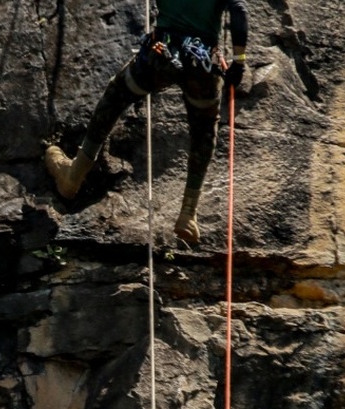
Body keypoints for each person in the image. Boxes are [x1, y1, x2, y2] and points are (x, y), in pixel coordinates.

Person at [45, 0, 249, 243]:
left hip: (162, 54)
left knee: (116, 95)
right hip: (201, 63)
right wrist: (239, 62)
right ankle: (188, 214)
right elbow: (238, 9)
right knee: (204, 130)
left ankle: (74, 175)